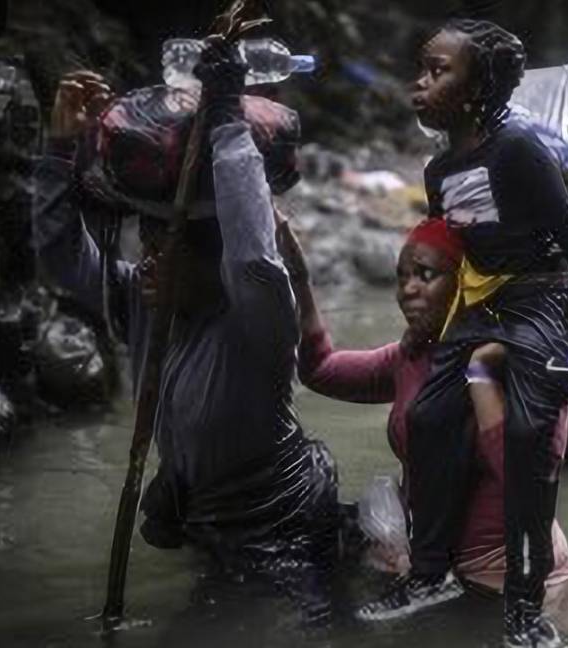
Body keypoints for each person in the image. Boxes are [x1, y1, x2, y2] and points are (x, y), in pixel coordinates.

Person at [31, 41, 339, 625]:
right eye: (143, 248)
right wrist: (59, 148)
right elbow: (61, 259)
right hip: (205, 518)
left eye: (162, 251)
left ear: (211, 262)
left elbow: (253, 257)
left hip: (281, 530)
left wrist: (225, 121)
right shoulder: (145, 303)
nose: (144, 263)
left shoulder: (256, 322)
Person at [355, 19, 568, 648]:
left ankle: (526, 607)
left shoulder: (519, 149)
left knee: (528, 435)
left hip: (546, 301)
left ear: (477, 89)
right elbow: (449, 256)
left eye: (438, 71)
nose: (420, 82)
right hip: (485, 306)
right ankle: (430, 574)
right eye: (422, 67)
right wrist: (427, 323)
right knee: (428, 416)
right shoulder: (440, 171)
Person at [278, 216, 568, 604]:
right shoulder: (412, 356)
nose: (408, 289)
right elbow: (320, 370)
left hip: (510, 584)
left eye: (425, 275)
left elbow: (525, 481)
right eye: (401, 276)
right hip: (434, 573)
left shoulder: (518, 360)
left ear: (466, 282)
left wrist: (480, 375)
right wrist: (299, 279)